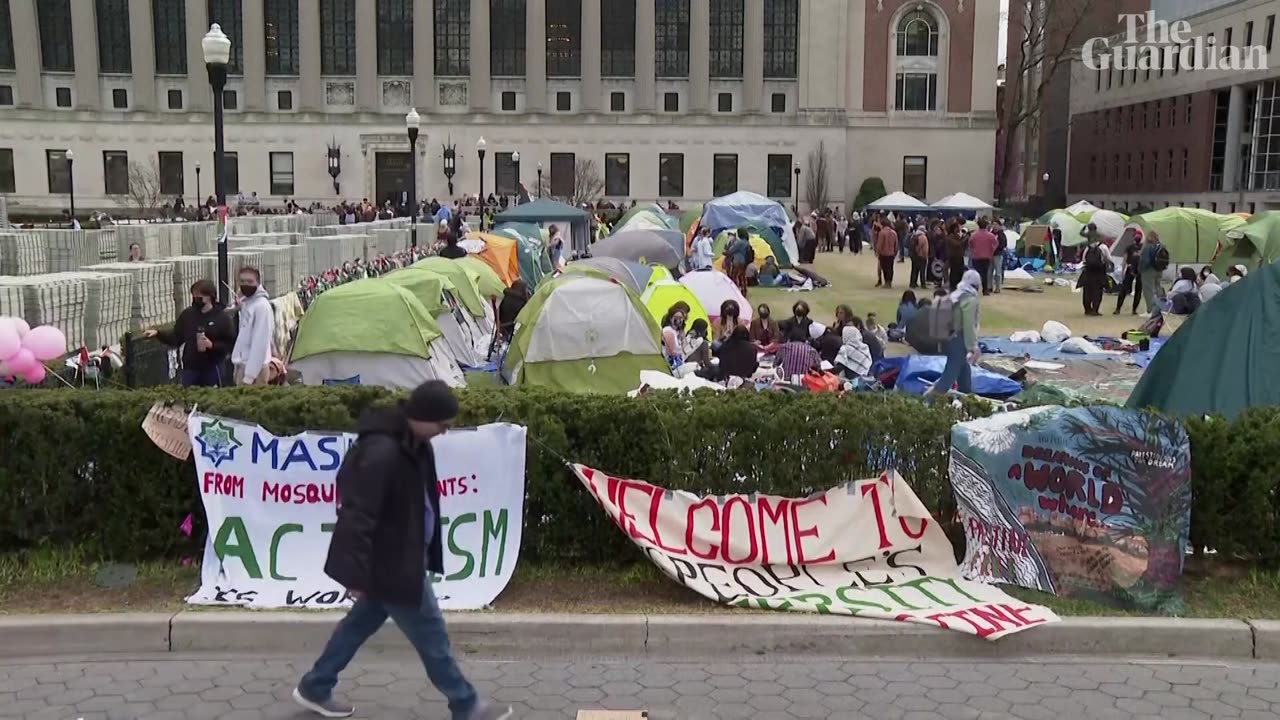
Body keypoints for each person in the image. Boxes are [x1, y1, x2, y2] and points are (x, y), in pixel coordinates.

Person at [294, 381, 512, 720]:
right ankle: (466, 704)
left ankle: (315, 686)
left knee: (357, 626)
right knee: (432, 636)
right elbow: (358, 515)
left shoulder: (411, 443)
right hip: (394, 564)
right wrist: (354, 574)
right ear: (423, 417)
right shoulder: (384, 452)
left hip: (398, 558)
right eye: (442, 423)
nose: (445, 431)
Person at [144, 279, 235, 387]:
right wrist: (158, 334)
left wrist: (212, 345)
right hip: (191, 367)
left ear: (210, 296)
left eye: (199, 297)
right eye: (194, 296)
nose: (196, 299)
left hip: (212, 367)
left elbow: (230, 344)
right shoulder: (188, 315)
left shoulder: (222, 318)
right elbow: (176, 337)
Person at [927, 269, 981, 397]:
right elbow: (968, 325)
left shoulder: (955, 294)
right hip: (958, 339)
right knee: (949, 376)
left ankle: (967, 395)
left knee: (964, 371)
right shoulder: (970, 299)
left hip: (947, 337)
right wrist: (973, 346)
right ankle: (928, 400)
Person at [230, 267, 275, 386]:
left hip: (255, 370)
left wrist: (249, 377)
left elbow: (260, 343)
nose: (245, 285)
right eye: (242, 281)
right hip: (243, 365)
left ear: (258, 283)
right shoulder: (247, 303)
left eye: (250, 281)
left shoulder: (262, 306)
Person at [1078, 224, 1108, 316]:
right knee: (1097, 292)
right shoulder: (1102, 246)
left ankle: (1087, 309)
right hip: (1099, 272)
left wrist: (1083, 228)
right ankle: (1095, 310)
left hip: (1088, 272)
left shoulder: (1087, 247)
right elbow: (1108, 259)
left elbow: (1083, 260)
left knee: (1087, 291)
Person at [1138, 230, 1167, 314]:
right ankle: (1161, 307)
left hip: (1148, 270)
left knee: (1148, 290)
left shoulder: (1147, 247)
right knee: (1158, 288)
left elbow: (1145, 260)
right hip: (1159, 269)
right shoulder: (1161, 246)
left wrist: (1140, 269)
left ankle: (1150, 310)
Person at [968, 218, 999, 296]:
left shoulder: (974, 235)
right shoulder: (990, 235)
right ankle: (985, 290)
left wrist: (973, 250)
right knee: (984, 274)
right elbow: (996, 243)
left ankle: (975, 289)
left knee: (976, 274)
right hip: (986, 257)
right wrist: (992, 251)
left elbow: (970, 243)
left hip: (976, 256)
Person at [1114, 240, 1142, 315]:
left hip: (1139, 270)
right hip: (1131, 269)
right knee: (1125, 289)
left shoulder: (1142, 247)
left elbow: (1125, 259)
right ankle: (1118, 308)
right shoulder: (1130, 247)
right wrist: (1123, 270)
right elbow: (1125, 259)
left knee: (1137, 291)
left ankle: (1134, 309)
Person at [725, 229, 752, 293]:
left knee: (734, 275)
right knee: (742, 275)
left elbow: (732, 250)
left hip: (737, 260)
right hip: (744, 260)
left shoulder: (739, 242)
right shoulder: (746, 242)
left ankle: (735, 290)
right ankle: (744, 288)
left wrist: (726, 250)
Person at [874, 219, 897, 288]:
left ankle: (886, 282)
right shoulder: (894, 233)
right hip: (891, 253)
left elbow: (879, 244)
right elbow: (896, 244)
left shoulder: (882, 233)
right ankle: (889, 282)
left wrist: (878, 252)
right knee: (890, 268)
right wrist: (895, 252)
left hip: (883, 253)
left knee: (884, 268)